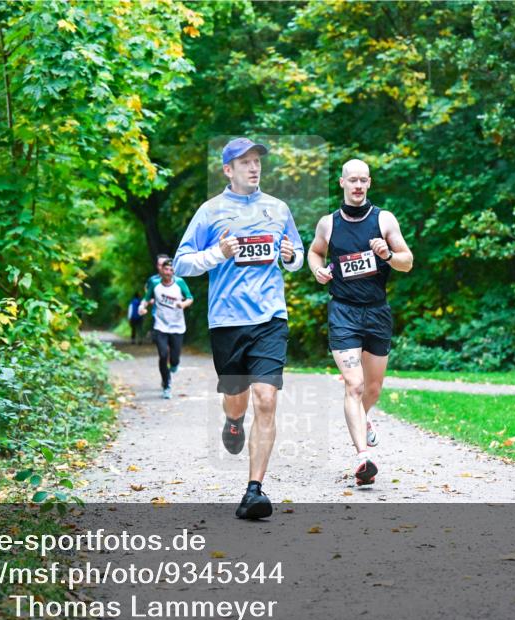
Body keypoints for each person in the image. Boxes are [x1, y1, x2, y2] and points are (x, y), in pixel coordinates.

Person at [173, 137, 304, 520]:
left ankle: (254, 491)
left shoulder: (278, 209)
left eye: (257, 161)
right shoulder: (210, 211)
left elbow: (295, 254)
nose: (253, 167)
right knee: (237, 395)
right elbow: (182, 263)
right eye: (244, 162)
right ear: (227, 170)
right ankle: (232, 422)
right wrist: (218, 254)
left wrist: (291, 256)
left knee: (266, 399)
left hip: (270, 317)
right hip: (227, 320)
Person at [307, 159, 413, 487]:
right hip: (343, 311)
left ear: (369, 183)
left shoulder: (384, 220)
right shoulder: (328, 223)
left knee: (373, 388)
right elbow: (315, 252)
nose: (357, 186)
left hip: (377, 311)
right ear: (341, 182)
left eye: (363, 181)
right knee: (353, 384)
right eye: (352, 180)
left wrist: (387, 256)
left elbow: (407, 263)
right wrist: (318, 270)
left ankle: (364, 418)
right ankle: (362, 457)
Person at [139, 259, 192, 399]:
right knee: (163, 355)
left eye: (171, 270)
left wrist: (184, 304)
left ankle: (174, 365)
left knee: (174, 359)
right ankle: (166, 384)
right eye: (166, 269)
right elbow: (146, 299)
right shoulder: (155, 284)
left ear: (173, 271)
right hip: (160, 326)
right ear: (161, 270)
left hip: (177, 326)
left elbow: (190, 297)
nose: (168, 272)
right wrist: (141, 307)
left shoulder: (179, 282)